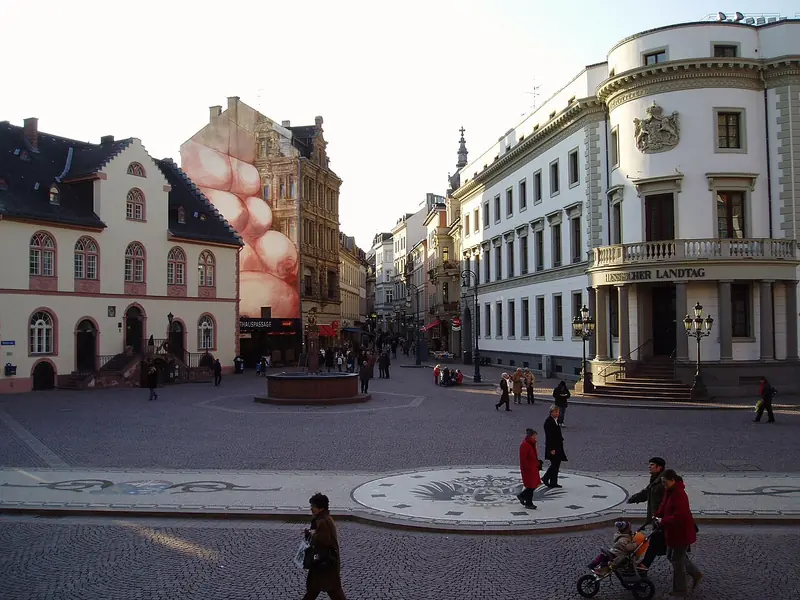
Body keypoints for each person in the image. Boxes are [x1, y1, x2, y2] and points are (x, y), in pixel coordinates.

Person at [654, 470, 703, 597]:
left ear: (673, 480)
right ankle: (695, 572)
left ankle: (681, 589)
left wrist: (663, 520)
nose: (664, 485)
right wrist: (657, 514)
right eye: (662, 482)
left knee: (677, 560)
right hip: (673, 532)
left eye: (665, 482)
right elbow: (664, 505)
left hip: (681, 533)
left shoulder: (680, 494)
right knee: (671, 556)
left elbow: (679, 517)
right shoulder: (670, 491)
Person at [302, 493, 348, 600]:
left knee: (332, 591)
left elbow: (324, 540)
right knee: (316, 590)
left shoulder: (323, 521)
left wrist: (311, 534)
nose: (311, 508)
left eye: (313, 506)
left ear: (321, 508)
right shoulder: (322, 519)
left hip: (325, 563)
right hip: (323, 562)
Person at [627, 457, 667, 572]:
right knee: (668, 547)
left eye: (652, 465)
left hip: (662, 520)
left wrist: (662, 517)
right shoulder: (655, 479)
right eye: (649, 464)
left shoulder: (663, 482)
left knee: (655, 543)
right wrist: (634, 498)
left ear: (659, 467)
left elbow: (667, 501)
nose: (649, 466)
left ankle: (644, 565)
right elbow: (647, 492)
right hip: (657, 519)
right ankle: (644, 565)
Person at [542, 406, 567, 488]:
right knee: (555, 464)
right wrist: (552, 448)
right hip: (553, 447)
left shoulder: (555, 420)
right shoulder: (549, 422)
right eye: (556, 412)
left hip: (557, 446)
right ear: (551, 412)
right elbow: (549, 436)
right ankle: (546, 478)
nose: (557, 414)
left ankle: (553, 481)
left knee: (556, 464)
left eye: (558, 412)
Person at [517, 428, 542, 509]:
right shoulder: (525, 445)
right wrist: (528, 467)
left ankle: (525, 498)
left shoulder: (531, 444)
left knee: (532, 485)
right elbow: (523, 459)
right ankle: (528, 501)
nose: (535, 437)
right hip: (529, 469)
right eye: (534, 436)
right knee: (531, 486)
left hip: (533, 468)